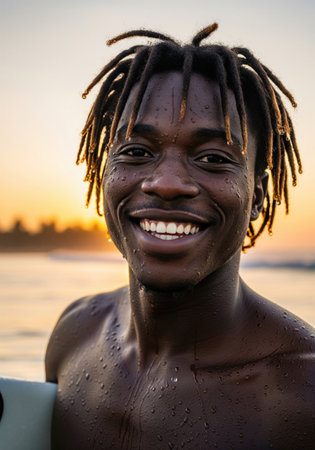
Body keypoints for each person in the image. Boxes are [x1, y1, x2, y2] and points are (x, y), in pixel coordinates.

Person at [45, 24, 315, 449]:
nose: (167, 183)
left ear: (258, 197)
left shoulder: (301, 393)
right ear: (102, 176)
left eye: (212, 158)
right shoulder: (75, 333)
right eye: (136, 151)